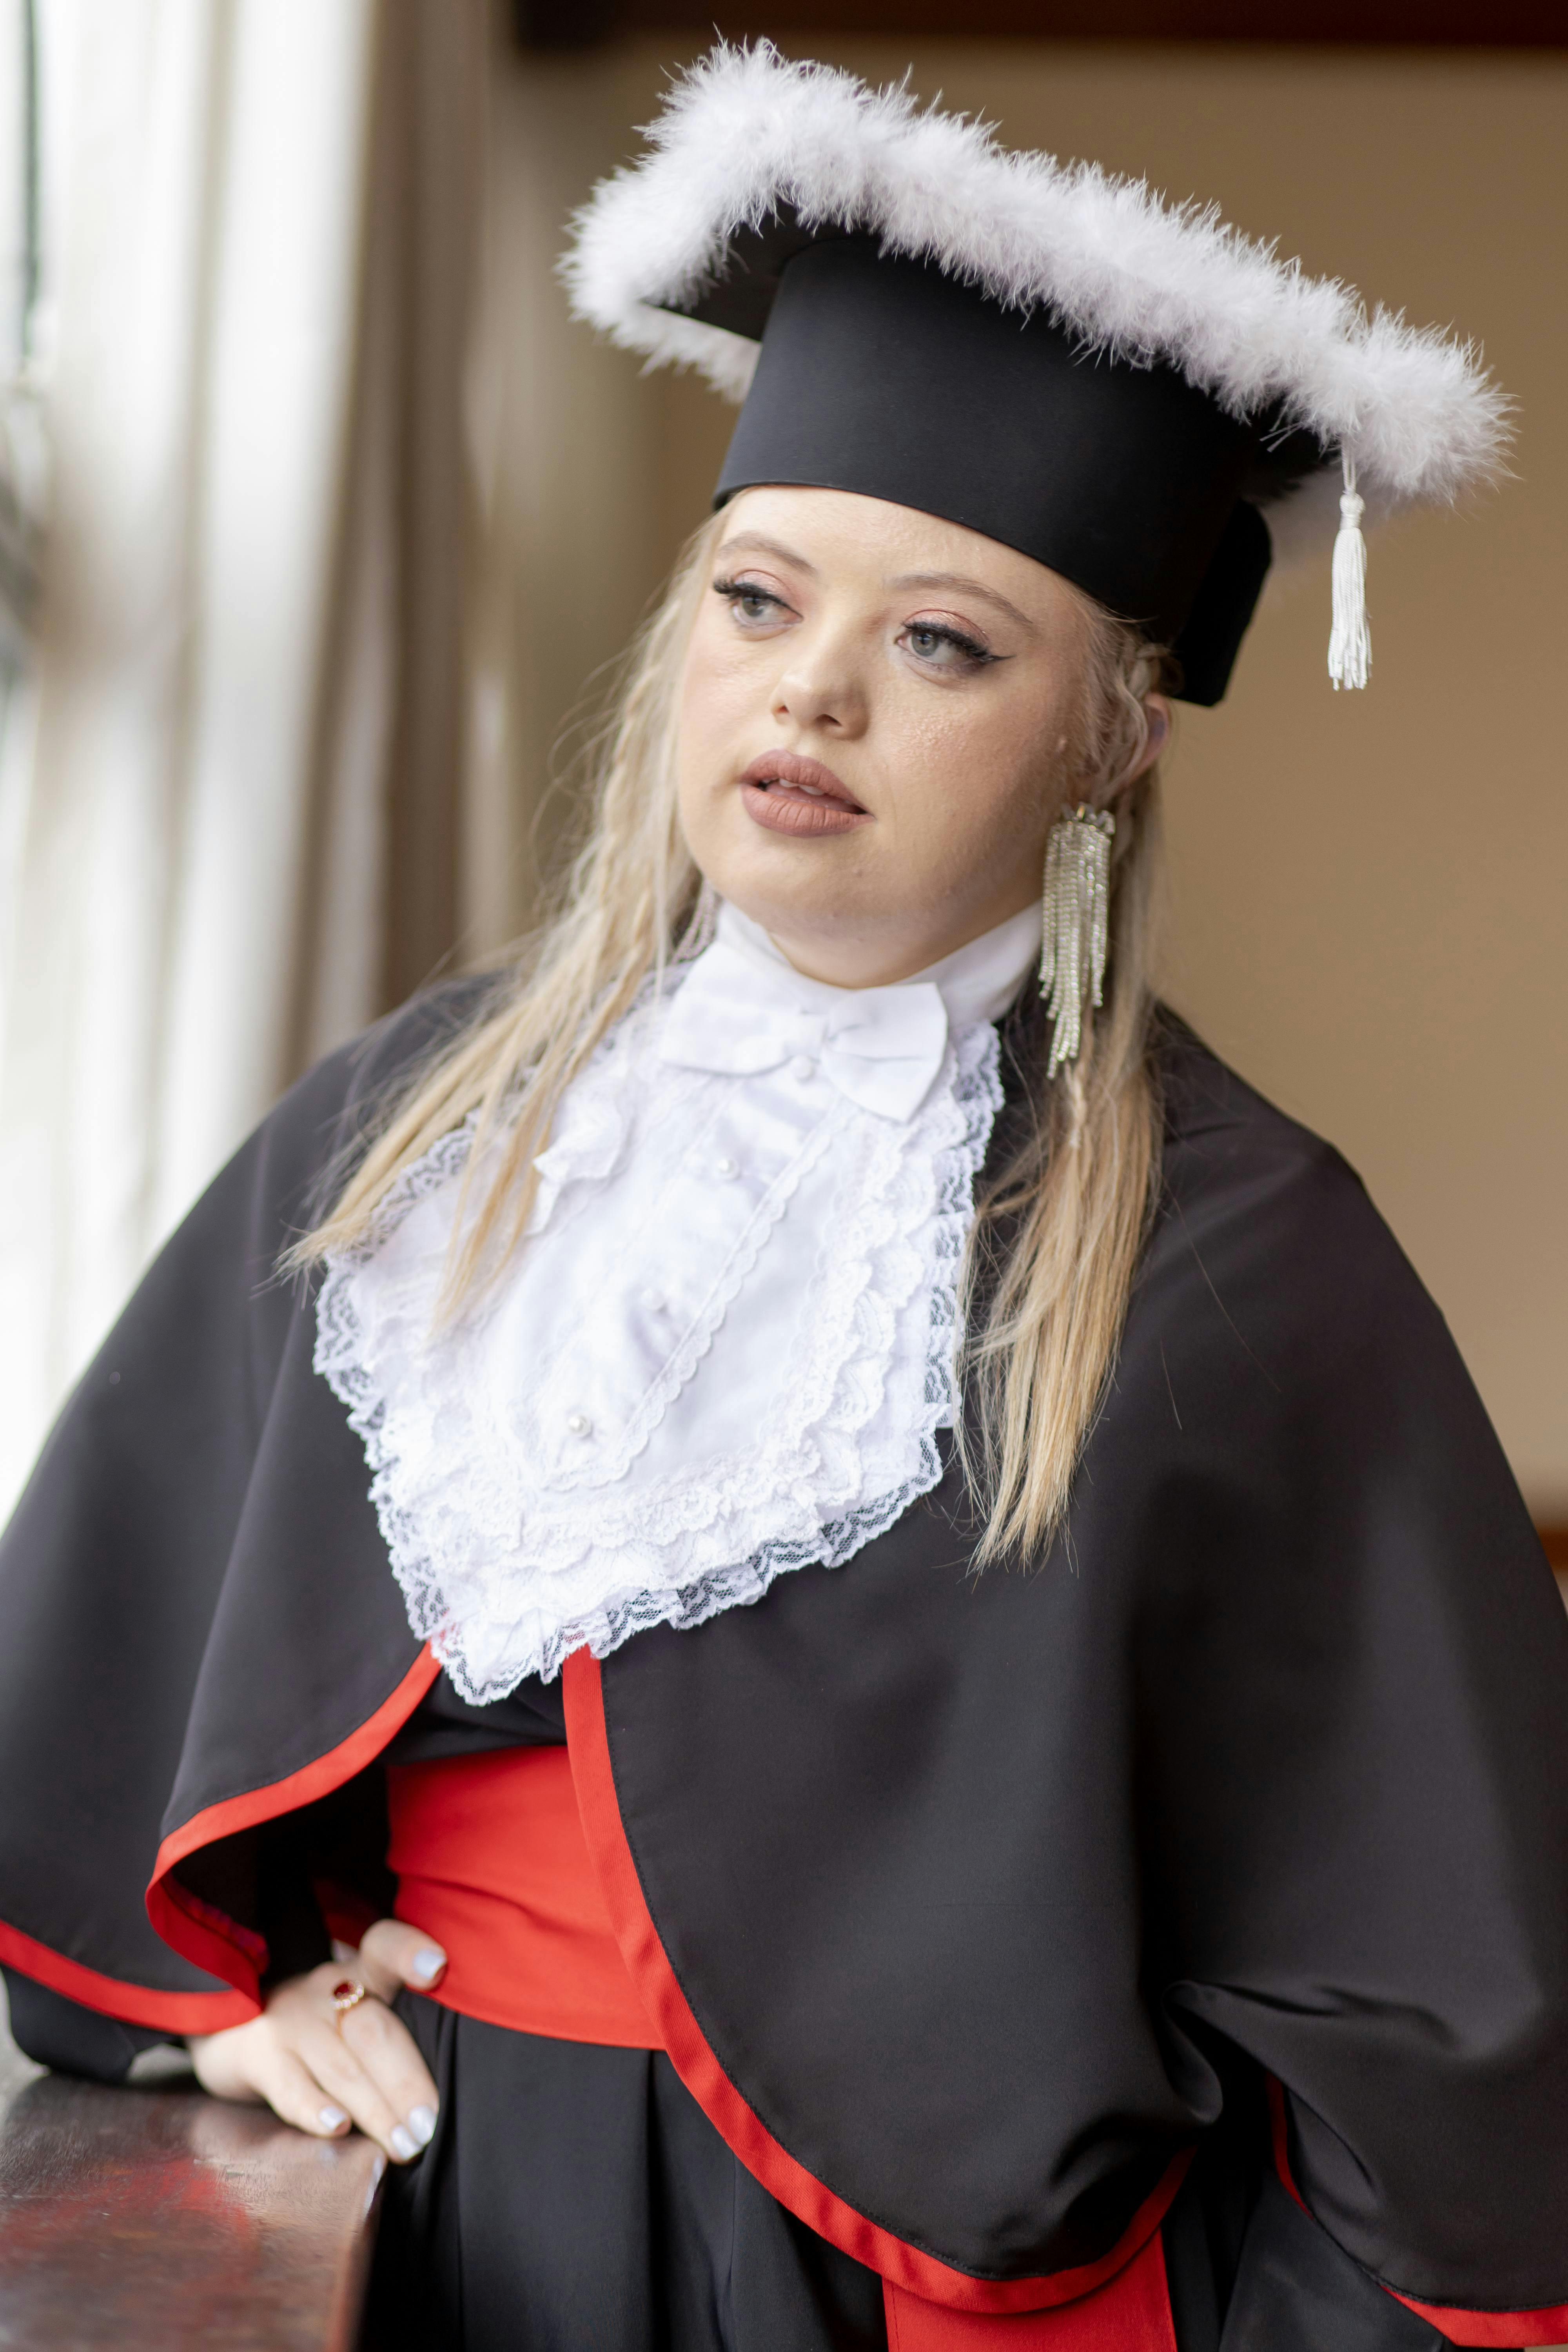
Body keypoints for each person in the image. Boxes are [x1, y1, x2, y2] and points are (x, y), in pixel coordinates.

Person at [1, 42, 1564, 2352]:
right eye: (755, 598)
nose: (808, 692)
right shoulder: (424, 1129)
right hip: (429, 2228)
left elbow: (1446, 1998)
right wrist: (219, 2007)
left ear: (1108, 739)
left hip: (929, 2306)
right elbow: (109, 1662)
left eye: (939, 641)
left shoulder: (1241, 1250)